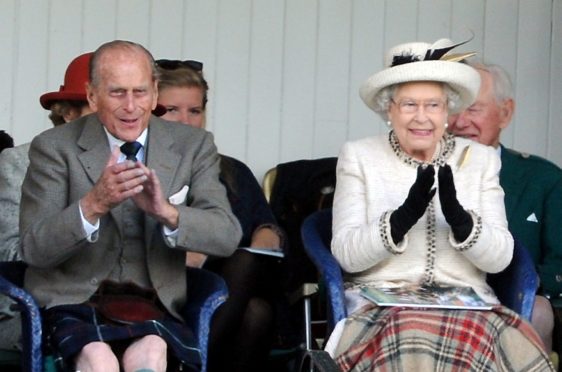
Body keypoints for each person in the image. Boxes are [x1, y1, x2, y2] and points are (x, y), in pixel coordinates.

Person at [324, 38, 554, 371]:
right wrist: (399, 221)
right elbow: (346, 253)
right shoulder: (360, 157)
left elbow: (502, 256)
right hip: (382, 309)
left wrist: (465, 224)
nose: (422, 118)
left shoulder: (481, 160)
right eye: (409, 105)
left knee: (481, 338)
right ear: (389, 109)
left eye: (433, 105)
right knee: (412, 332)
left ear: (447, 111)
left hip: (468, 308)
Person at [19, 40, 241, 372]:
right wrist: (93, 204)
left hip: (154, 302)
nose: (131, 106)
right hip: (73, 299)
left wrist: (166, 212)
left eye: (140, 92)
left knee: (152, 352)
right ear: (92, 96)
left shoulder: (193, 145)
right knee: (98, 358)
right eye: (117, 92)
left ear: (154, 94)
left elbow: (226, 235)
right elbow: (34, 248)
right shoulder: (54, 148)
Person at [156, 59, 284, 372]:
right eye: (173, 109)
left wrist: (267, 234)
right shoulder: (139, 167)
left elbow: (266, 224)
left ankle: (190, 363)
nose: (186, 122)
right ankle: (190, 362)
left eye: (195, 111)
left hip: (227, 296)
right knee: (254, 310)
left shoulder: (232, 170)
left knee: (257, 310)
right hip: (163, 287)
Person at [448, 60, 562, 359]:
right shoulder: (416, 171)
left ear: (505, 113)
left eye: (473, 109)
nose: (460, 122)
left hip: (514, 300)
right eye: (452, 108)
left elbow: (558, 263)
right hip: (438, 297)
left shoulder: (544, 179)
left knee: (537, 310)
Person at [0, 52, 94, 355]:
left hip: (113, 307)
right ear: (68, 112)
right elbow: (10, 253)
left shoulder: (140, 165)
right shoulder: (19, 162)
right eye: (100, 106)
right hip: (29, 310)